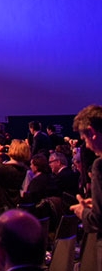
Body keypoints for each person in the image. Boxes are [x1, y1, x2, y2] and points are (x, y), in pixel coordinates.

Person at [71, 104, 102, 269]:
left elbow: (98, 221)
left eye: (85, 139)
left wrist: (83, 212)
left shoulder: (100, 166)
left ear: (92, 132)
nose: (87, 146)